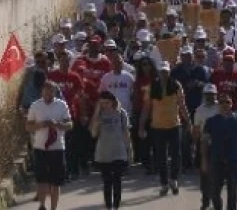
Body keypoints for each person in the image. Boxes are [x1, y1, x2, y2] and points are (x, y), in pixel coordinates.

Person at [141, 61, 190, 196]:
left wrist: (188, 122)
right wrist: (141, 126)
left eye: (166, 71)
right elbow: (146, 108)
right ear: (158, 72)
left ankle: (173, 179)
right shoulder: (152, 87)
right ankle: (164, 183)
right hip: (157, 126)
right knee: (160, 156)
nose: (164, 74)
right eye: (161, 71)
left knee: (176, 154)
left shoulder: (176, 85)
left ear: (169, 72)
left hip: (174, 125)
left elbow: (182, 105)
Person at [26, 81, 73, 210]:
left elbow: (70, 124)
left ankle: (53, 207)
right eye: (46, 92)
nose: (48, 94)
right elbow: (28, 126)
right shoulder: (35, 106)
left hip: (57, 148)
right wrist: (40, 125)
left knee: (55, 181)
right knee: (41, 179)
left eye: (51, 92)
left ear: (54, 92)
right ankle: (42, 205)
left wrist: (57, 125)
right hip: (40, 147)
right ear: (42, 92)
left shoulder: (61, 105)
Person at [202, 92, 237, 210]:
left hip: (234, 160)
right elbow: (204, 142)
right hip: (216, 159)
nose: (224, 105)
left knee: (232, 191)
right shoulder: (211, 121)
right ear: (218, 105)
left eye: (227, 102)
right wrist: (204, 160)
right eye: (221, 102)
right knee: (214, 192)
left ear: (232, 104)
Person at [90, 91, 132, 210]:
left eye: (106, 103)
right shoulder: (99, 115)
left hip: (118, 152)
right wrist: (96, 116)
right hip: (103, 153)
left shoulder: (121, 113)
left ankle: (116, 206)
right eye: (102, 103)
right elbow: (93, 134)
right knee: (107, 182)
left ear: (112, 101)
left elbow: (126, 133)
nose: (104, 105)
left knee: (117, 181)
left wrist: (129, 150)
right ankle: (109, 207)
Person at [193, 83, 221, 210]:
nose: (210, 97)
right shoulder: (200, 110)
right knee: (204, 175)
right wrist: (195, 145)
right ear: (204, 95)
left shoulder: (221, 108)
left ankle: (216, 201)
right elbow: (197, 129)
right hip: (204, 145)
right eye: (207, 95)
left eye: (212, 94)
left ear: (216, 95)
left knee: (217, 176)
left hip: (219, 146)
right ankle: (205, 201)